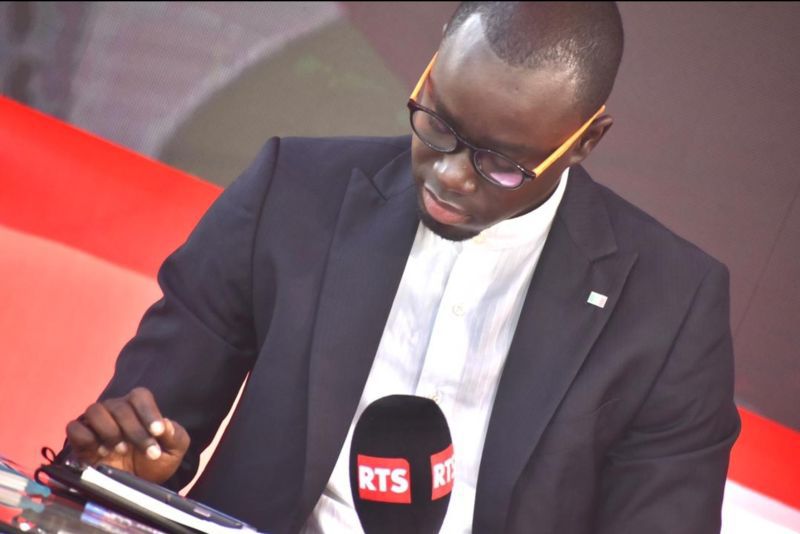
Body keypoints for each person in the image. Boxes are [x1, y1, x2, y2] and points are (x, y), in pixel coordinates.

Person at [62, 2, 740, 533]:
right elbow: (140, 438)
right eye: (438, 124)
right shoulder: (290, 191)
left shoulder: (672, 307)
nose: (449, 176)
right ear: (432, 68)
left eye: (501, 164)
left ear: (584, 141)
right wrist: (122, 473)